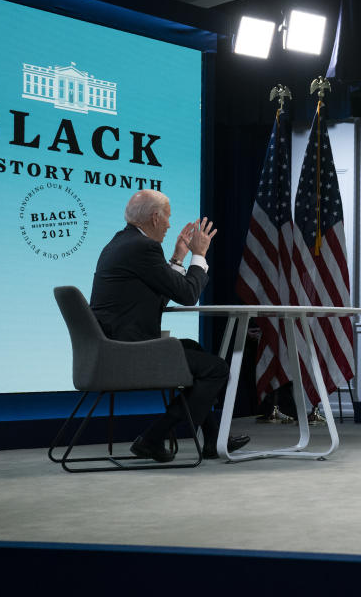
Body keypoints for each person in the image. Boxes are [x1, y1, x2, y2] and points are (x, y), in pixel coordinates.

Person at [89, 189, 249, 462]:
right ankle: (152, 438)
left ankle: (212, 439)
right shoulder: (143, 247)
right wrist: (198, 255)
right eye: (167, 218)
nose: (169, 224)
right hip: (128, 352)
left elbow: (162, 292)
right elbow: (187, 295)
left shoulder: (121, 242)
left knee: (194, 351)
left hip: (112, 348)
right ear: (154, 217)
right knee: (216, 370)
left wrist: (177, 258)